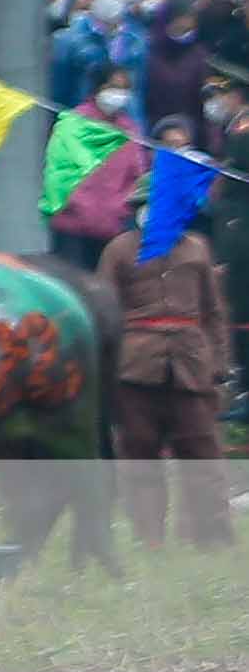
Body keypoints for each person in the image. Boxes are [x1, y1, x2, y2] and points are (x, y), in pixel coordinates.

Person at [101, 204, 232, 547]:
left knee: (203, 456)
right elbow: (104, 312)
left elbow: (213, 312)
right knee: (139, 458)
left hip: (191, 367)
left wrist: (219, 363)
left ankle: (212, 537)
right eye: (149, 204)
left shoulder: (197, 248)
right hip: (134, 370)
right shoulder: (119, 250)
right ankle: (149, 539)